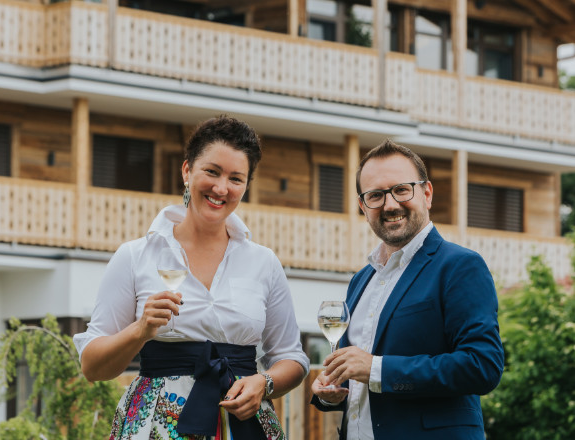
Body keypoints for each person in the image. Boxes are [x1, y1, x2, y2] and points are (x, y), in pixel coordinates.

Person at [74, 115, 309, 440]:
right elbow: (92, 367)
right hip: (154, 425)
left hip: (242, 425)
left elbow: (292, 358)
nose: (221, 187)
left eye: (236, 178)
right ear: (187, 171)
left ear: (246, 186)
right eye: (212, 172)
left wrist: (264, 382)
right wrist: (140, 330)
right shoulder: (135, 256)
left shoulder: (264, 263)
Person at [311, 139, 504, 440]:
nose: (389, 204)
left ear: (426, 193)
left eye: (401, 190)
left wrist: (377, 369)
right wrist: (333, 391)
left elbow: (482, 366)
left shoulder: (460, 266)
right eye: (375, 195)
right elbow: (360, 380)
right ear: (363, 206)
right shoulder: (360, 280)